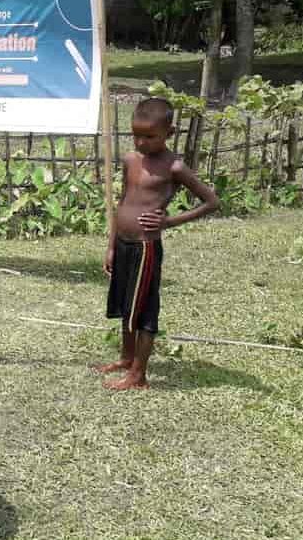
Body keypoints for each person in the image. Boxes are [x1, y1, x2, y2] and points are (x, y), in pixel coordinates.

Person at [94, 97, 219, 390]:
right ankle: (126, 358)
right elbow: (123, 201)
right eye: (136, 135)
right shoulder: (129, 160)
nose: (141, 142)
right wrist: (111, 246)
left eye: (149, 136)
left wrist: (168, 222)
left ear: (169, 133)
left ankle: (138, 376)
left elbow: (212, 202)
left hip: (145, 247)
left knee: (145, 308)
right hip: (123, 243)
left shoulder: (174, 167)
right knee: (126, 304)